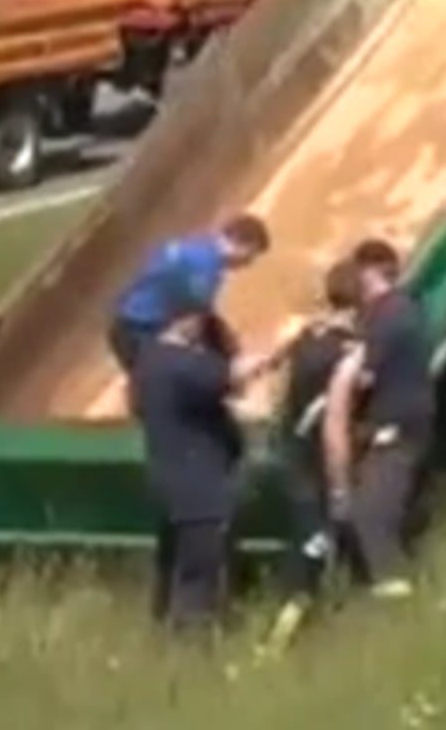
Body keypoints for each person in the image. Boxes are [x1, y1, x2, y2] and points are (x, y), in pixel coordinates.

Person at [132, 305, 272, 633]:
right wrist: (263, 364)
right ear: (188, 319)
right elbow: (229, 378)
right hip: (200, 488)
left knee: (171, 570)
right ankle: (191, 644)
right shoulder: (184, 364)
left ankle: (163, 636)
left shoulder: (148, 361)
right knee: (200, 573)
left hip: (167, 482)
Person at [261, 261, 364, 649]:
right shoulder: (348, 354)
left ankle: (308, 614)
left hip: (290, 451)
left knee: (309, 534)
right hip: (318, 461)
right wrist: (339, 484)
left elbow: (277, 390)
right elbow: (335, 425)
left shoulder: (304, 338)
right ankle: (282, 633)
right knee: (315, 541)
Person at [323, 238, 434, 600]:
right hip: (400, 425)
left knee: (371, 515)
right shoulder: (398, 309)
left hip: (394, 430)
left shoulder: (389, 315)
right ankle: (396, 586)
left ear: (369, 272)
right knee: (388, 515)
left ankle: (396, 597)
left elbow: (364, 376)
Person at [109, 215, 270, 375]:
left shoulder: (193, 247)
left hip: (126, 326)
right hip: (139, 334)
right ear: (238, 242)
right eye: (251, 254)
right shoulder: (207, 269)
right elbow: (196, 320)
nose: (249, 263)